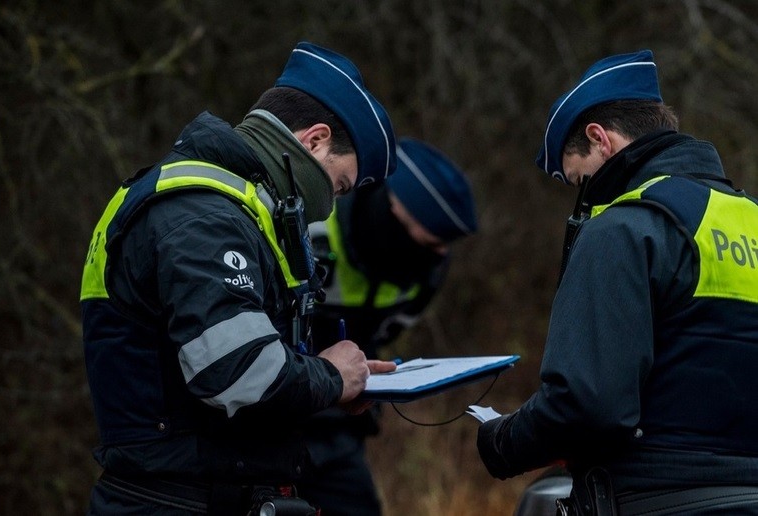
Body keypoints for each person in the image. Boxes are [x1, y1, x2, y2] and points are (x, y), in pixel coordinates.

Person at [79, 41, 401, 515]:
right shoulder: (203, 217)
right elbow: (238, 374)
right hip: (175, 503)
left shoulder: (235, 208)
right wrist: (331, 376)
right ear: (314, 140)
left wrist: (337, 384)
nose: (329, 206)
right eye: (337, 187)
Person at [475, 49, 758, 515]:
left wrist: (501, 442)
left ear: (600, 140)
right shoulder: (747, 216)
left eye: (579, 181)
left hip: (656, 499)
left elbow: (587, 406)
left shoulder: (627, 226)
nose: (584, 199)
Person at [297, 137, 478, 516]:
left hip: (340, 433)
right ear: (390, 208)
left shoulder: (422, 275)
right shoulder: (309, 230)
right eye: (426, 242)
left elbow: (384, 335)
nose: (434, 258)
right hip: (275, 417)